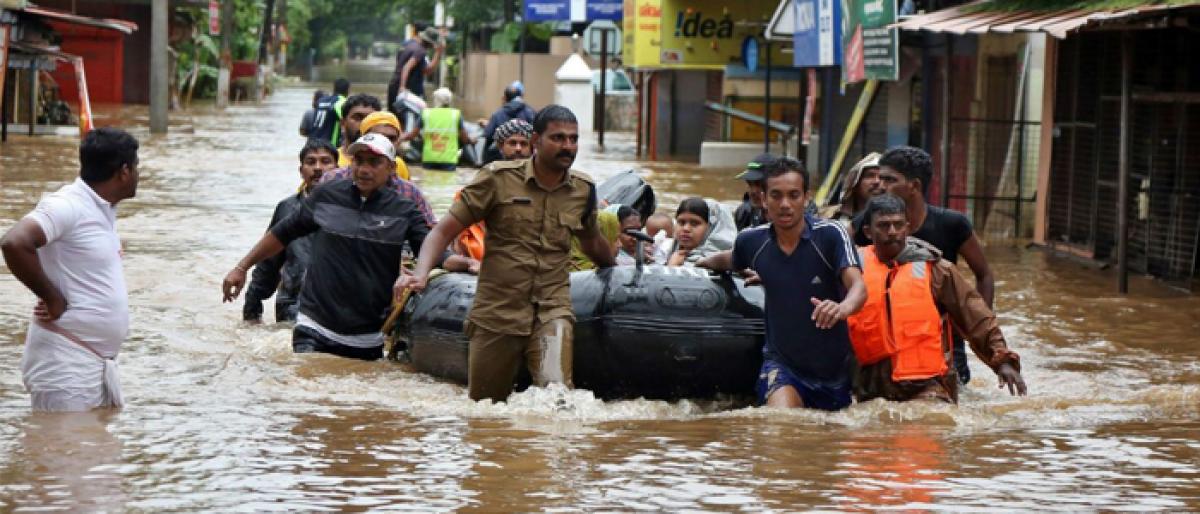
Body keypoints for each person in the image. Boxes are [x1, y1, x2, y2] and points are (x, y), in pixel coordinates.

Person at [398, 105, 615, 402]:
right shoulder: (497, 179)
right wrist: (421, 275)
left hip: (552, 308)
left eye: (573, 139)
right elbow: (442, 231)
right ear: (536, 140)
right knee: (487, 407)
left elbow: (592, 242)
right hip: (497, 312)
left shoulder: (582, 189)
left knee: (558, 398)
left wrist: (620, 272)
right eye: (559, 138)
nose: (568, 146)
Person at [221, 134, 437, 360]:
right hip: (314, 326)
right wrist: (241, 267)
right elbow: (281, 233)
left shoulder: (404, 210)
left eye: (374, 163)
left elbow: (433, 248)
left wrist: (463, 263)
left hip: (368, 337)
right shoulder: (326, 196)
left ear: (391, 168)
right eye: (359, 161)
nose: (364, 169)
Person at [697, 157, 866, 411]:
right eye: (776, 196)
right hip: (783, 367)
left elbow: (859, 288)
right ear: (763, 199)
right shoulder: (751, 241)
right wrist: (693, 264)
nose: (785, 204)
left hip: (833, 372)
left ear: (806, 198)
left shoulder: (831, 235)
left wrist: (842, 308)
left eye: (793, 195)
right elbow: (727, 260)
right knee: (782, 427)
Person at [1, 127, 140, 411]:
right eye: (137, 167)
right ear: (124, 172)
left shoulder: (101, 209)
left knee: (92, 451)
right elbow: (14, 242)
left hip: (95, 362)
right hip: (65, 362)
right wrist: (52, 297)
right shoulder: (68, 205)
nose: (139, 175)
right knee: (62, 452)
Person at [849, 194, 1026, 403]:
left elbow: (975, 315)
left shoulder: (937, 270)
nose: (892, 232)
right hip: (867, 386)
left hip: (926, 385)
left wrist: (1002, 360)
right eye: (884, 226)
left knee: (931, 423)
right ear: (868, 232)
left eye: (898, 225)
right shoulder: (851, 268)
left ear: (907, 227)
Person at [851, 146, 995, 385]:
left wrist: (976, 328)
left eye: (889, 179)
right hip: (886, 344)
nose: (880, 185)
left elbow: (984, 275)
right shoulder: (867, 226)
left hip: (944, 342)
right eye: (878, 177)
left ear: (914, 186)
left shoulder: (952, 224)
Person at [243, 139, 338, 324]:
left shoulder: (350, 208)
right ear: (301, 171)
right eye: (311, 162)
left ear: (338, 168)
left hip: (334, 307)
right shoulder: (287, 208)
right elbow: (268, 264)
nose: (318, 168)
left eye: (326, 162)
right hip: (292, 307)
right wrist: (251, 311)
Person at [402, 87, 476, 171]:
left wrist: (400, 137)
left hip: (429, 158)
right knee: (448, 182)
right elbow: (465, 139)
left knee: (428, 182)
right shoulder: (456, 114)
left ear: (436, 100)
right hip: (448, 160)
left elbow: (412, 135)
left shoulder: (426, 113)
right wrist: (472, 141)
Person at [666, 197, 736, 267]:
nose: (686, 229)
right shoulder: (667, 253)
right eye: (681, 222)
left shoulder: (726, 263)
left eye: (694, 223)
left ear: (711, 228)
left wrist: (672, 268)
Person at [387, 27, 444, 110]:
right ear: (429, 43)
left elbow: (402, 64)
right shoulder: (420, 51)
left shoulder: (406, 44)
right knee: (420, 115)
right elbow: (407, 68)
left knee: (394, 119)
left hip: (393, 85)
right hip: (409, 90)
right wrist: (402, 87)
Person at [482, 82, 538, 164]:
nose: (517, 148)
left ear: (505, 98)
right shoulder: (531, 112)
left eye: (523, 143)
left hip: (500, 160)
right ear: (521, 96)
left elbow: (488, 135)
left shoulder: (498, 113)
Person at [822, 152, 881, 226]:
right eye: (870, 176)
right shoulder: (831, 217)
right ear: (855, 184)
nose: (877, 181)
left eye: (882, 177)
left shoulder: (897, 219)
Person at [357, 111, 412, 180]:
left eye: (391, 138)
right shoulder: (343, 173)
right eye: (379, 137)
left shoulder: (400, 165)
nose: (386, 144)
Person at [334, 93, 384, 168]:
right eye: (358, 118)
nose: (364, 123)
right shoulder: (331, 161)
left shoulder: (391, 163)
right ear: (343, 124)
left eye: (370, 119)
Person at [733, 154, 775, 231]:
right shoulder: (744, 214)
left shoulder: (793, 218)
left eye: (759, 184)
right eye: (749, 184)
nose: (753, 191)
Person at [306, 78, 350, 146]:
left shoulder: (321, 101)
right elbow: (345, 122)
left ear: (334, 88)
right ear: (347, 89)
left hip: (312, 141)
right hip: (330, 145)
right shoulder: (342, 102)